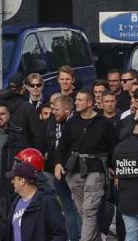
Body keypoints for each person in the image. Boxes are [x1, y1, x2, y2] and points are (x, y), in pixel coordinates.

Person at [55, 90, 115, 241]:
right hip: (73, 171)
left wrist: (112, 167)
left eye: (80, 100)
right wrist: (57, 163)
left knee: (89, 210)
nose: (76, 102)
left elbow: (113, 147)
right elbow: (62, 146)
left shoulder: (104, 123)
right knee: (83, 211)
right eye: (76, 100)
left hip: (95, 170)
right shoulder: (72, 122)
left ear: (90, 103)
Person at [0, 161, 67, 241]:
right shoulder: (16, 202)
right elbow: (9, 233)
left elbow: (60, 234)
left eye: (14, 178)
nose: (12, 181)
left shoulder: (47, 202)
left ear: (22, 181)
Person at [45, 93, 81, 241]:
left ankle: (84, 237)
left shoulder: (77, 122)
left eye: (56, 109)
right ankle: (73, 238)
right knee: (67, 207)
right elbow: (49, 140)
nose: (53, 112)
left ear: (67, 109)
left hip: (75, 171)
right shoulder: (53, 122)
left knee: (81, 208)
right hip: (57, 170)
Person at [0, 73, 46, 152]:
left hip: (3, 151)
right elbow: (38, 136)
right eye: (32, 85)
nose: (35, 87)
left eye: (38, 85)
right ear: (24, 87)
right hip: (24, 153)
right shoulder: (28, 107)